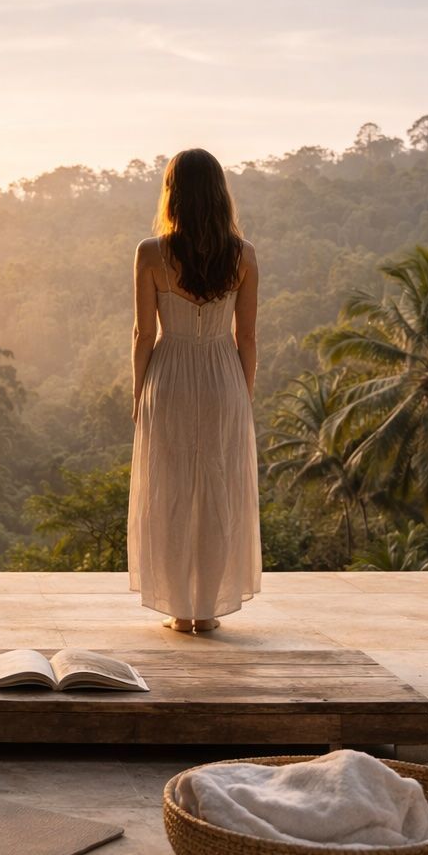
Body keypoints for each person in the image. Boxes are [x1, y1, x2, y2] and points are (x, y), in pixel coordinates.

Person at [127, 148, 262, 633]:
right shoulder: (243, 255)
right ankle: (208, 610)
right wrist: (242, 397)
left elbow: (144, 336)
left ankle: (180, 610)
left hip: (170, 376)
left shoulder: (151, 253)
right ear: (220, 194)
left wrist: (138, 392)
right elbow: (247, 338)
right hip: (224, 374)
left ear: (174, 193)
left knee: (172, 492)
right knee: (219, 492)